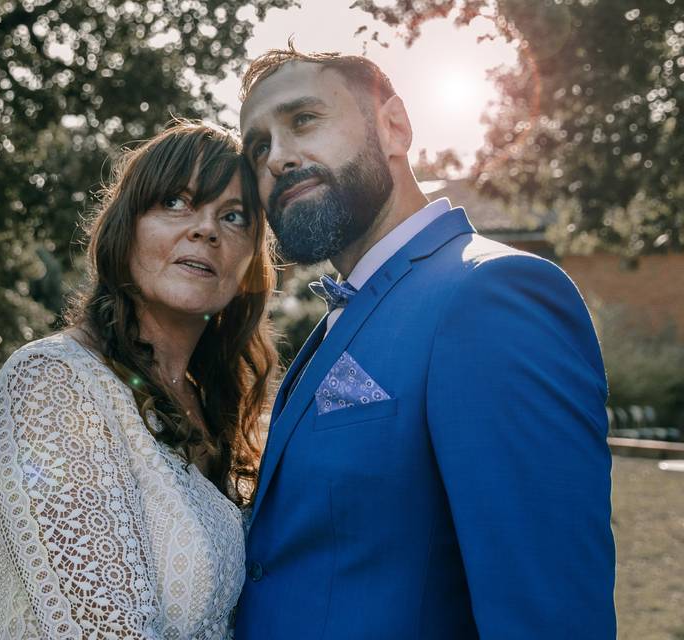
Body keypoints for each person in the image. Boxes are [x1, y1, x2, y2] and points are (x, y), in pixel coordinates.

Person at [234, 46, 616, 639]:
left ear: (394, 127)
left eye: (303, 120)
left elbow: (549, 616)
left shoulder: (492, 295)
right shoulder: (339, 319)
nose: (278, 158)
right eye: (259, 147)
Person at [0, 121, 278, 639]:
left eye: (234, 216)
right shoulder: (52, 384)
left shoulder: (208, 404)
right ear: (126, 226)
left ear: (248, 263)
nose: (206, 229)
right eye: (176, 202)